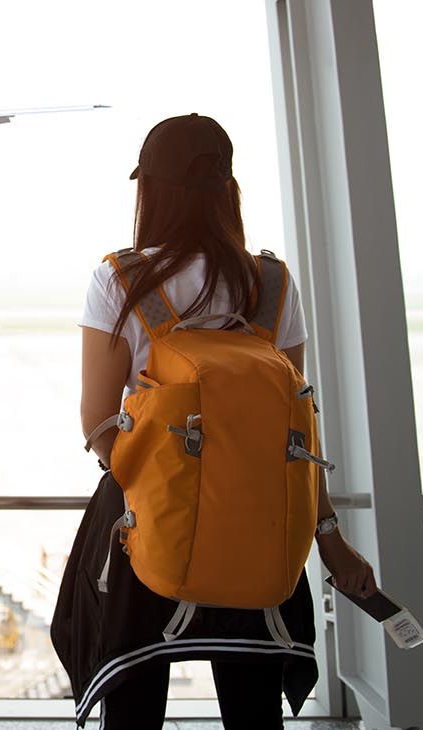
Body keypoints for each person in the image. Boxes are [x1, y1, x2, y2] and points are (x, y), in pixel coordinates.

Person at [51, 113, 378, 729]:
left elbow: (99, 424)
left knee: (134, 707)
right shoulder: (273, 284)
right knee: (253, 711)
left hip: (145, 521)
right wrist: (328, 538)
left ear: (146, 188)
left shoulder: (120, 280)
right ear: (230, 190)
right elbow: (299, 431)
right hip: (256, 519)